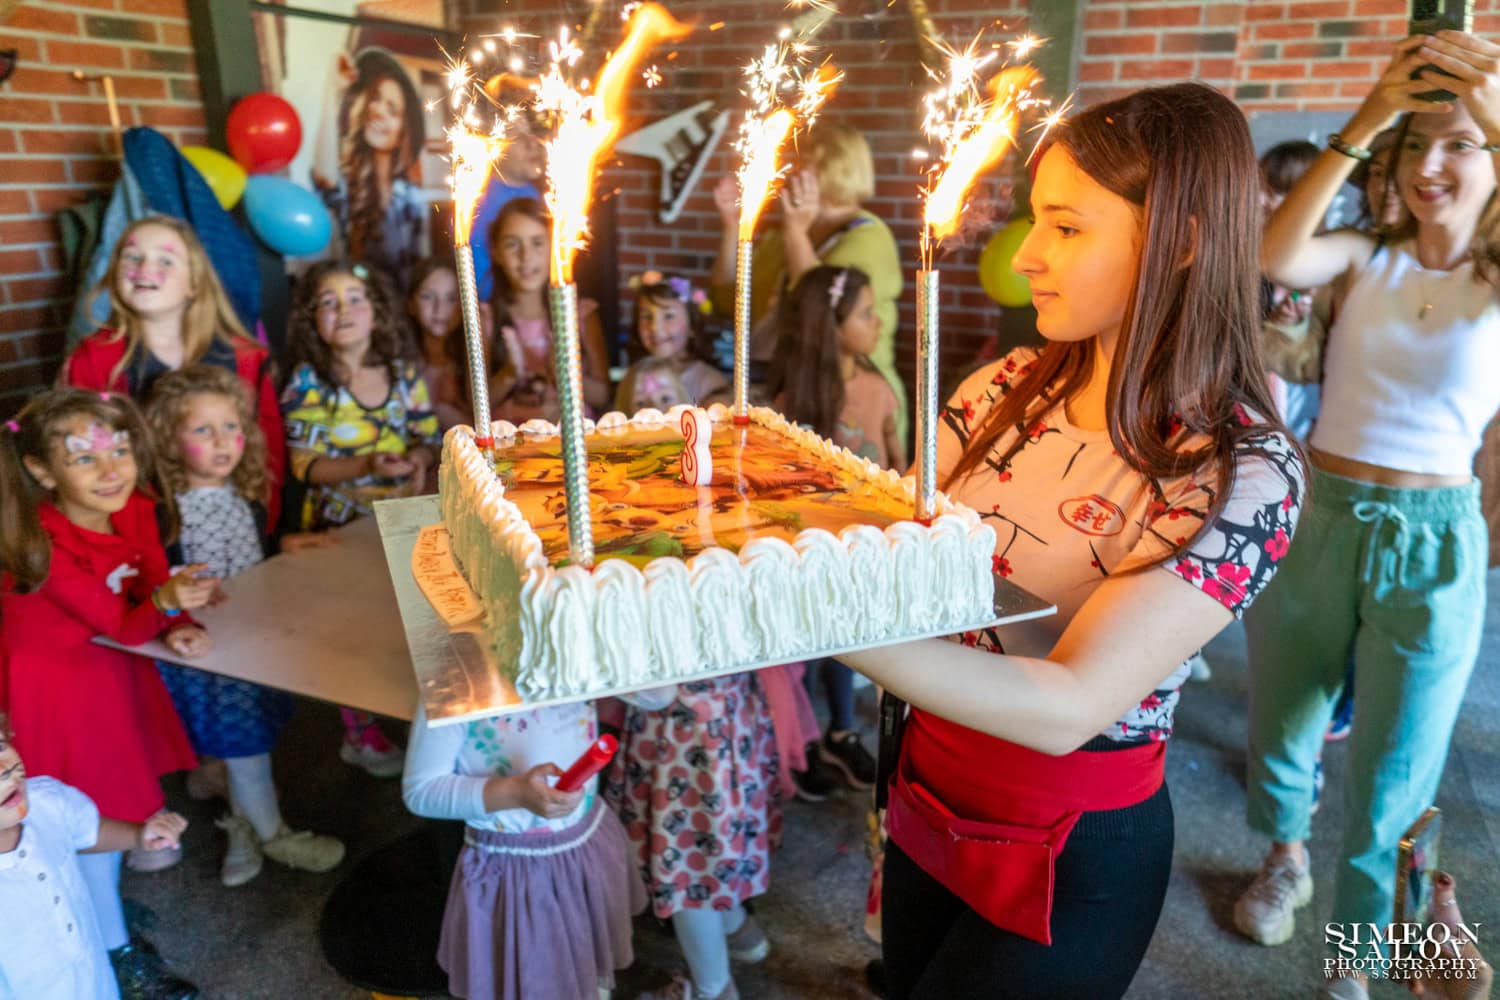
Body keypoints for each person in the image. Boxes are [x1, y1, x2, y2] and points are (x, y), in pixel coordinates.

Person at [835, 84, 1305, 999]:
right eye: (1033, 220)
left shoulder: (1237, 471)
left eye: (1066, 226)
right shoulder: (1002, 389)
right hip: (926, 791)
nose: (1027, 255)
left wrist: (793, 624)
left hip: (1069, 844)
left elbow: (1070, 705)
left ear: (1181, 241)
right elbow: (898, 555)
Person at [1236, 32, 1500, 1000]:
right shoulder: (1364, 260)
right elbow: (1276, 253)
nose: (1431, 165)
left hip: (1435, 538)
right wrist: (1377, 110)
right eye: (1417, 146)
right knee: (1282, 724)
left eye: (1460, 145)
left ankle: (1357, 956)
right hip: (1323, 517)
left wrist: (1491, 105)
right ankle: (1284, 858)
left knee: (1395, 775)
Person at [0, 389, 217, 999]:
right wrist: (167, 604)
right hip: (58, 691)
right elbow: (124, 620)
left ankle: (99, 913)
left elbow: (149, 581)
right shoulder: (42, 539)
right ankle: (115, 952)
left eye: (120, 449)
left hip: (107, 669)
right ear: (42, 470)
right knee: (84, 815)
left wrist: (177, 619)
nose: (111, 469)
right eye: (84, 458)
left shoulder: (133, 507)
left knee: (109, 801)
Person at [145, 365, 346, 887]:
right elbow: (152, 579)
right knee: (244, 748)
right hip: (207, 652)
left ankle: (242, 822)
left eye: (231, 427)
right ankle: (271, 832)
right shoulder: (164, 514)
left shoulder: (246, 496)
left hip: (251, 640)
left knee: (247, 745)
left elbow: (247, 555)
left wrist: (283, 544)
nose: (222, 441)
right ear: (169, 439)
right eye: (203, 429)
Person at [280, 261, 440, 777]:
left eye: (354, 298)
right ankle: (359, 732)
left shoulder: (402, 373)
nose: (342, 309)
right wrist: (366, 464)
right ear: (312, 320)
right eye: (327, 302)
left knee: (398, 625)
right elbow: (304, 465)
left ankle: (411, 718)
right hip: (336, 531)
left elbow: (427, 435)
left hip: (399, 522)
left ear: (377, 312)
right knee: (349, 633)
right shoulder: (309, 383)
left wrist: (417, 459)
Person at [401, 697, 654, 1000]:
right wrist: (515, 793)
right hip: (517, 872)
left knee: (589, 962)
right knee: (540, 981)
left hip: (585, 844)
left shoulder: (579, 664)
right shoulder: (456, 683)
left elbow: (660, 697)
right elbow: (421, 791)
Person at [767, 263, 900, 799]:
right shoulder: (790, 404)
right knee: (808, 641)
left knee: (850, 637)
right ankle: (798, 742)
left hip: (868, 540)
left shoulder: (878, 389)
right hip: (810, 546)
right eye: (867, 314)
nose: (879, 323)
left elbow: (897, 466)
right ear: (832, 327)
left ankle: (841, 731)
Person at [59, 215, 286, 527]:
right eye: (132, 257)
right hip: (140, 529)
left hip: (237, 524)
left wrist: (269, 525)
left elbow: (268, 449)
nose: (144, 268)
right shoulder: (92, 360)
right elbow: (82, 463)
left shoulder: (246, 359)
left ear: (194, 283)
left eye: (165, 260)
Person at [711, 120, 906, 444]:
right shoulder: (785, 235)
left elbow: (821, 308)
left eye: (804, 166)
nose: (790, 175)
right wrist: (733, 227)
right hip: (794, 395)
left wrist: (796, 233)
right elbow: (728, 299)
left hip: (855, 403)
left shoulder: (869, 237)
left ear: (836, 172)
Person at [606, 672, 782, 1000]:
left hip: (684, 735)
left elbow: (657, 692)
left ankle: (712, 989)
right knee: (716, 849)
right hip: (730, 708)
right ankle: (738, 930)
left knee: (687, 871)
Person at [0, 712, 190, 1000]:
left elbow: (86, 830)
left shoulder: (47, 802)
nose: (4, 770)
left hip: (95, 982)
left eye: (1, 746)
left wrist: (138, 835)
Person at [481, 197, 612, 421]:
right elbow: (474, 404)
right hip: (511, 437)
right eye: (512, 244)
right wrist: (509, 374)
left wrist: (561, 372)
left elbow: (601, 396)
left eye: (538, 243)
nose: (526, 256)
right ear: (496, 252)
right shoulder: (486, 319)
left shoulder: (580, 315)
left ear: (555, 247)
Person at [312, 47, 427, 288]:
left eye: (392, 110)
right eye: (375, 98)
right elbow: (324, 177)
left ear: (403, 132)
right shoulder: (348, 183)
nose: (378, 111)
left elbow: (420, 275)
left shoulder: (412, 199)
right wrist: (333, 89)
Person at [614, 270, 728, 413]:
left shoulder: (709, 382)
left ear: (692, 325)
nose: (655, 328)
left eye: (669, 316)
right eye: (647, 317)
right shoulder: (635, 376)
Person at [407, 256, 468, 430]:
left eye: (451, 298)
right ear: (411, 304)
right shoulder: (404, 365)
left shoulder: (472, 363)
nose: (440, 308)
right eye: (427, 297)